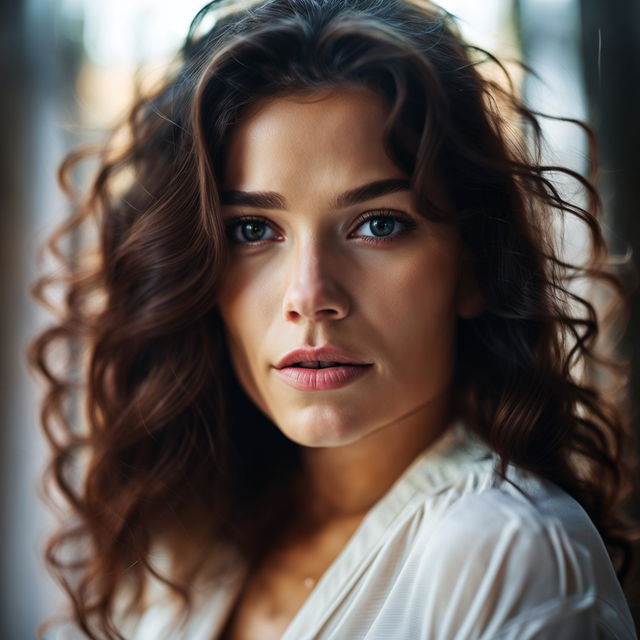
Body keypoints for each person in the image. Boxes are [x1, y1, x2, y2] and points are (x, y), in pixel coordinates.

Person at [29, 0, 640, 638]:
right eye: (252, 230)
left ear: (473, 266)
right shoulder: (185, 535)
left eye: (379, 225)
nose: (310, 294)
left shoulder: (509, 556)